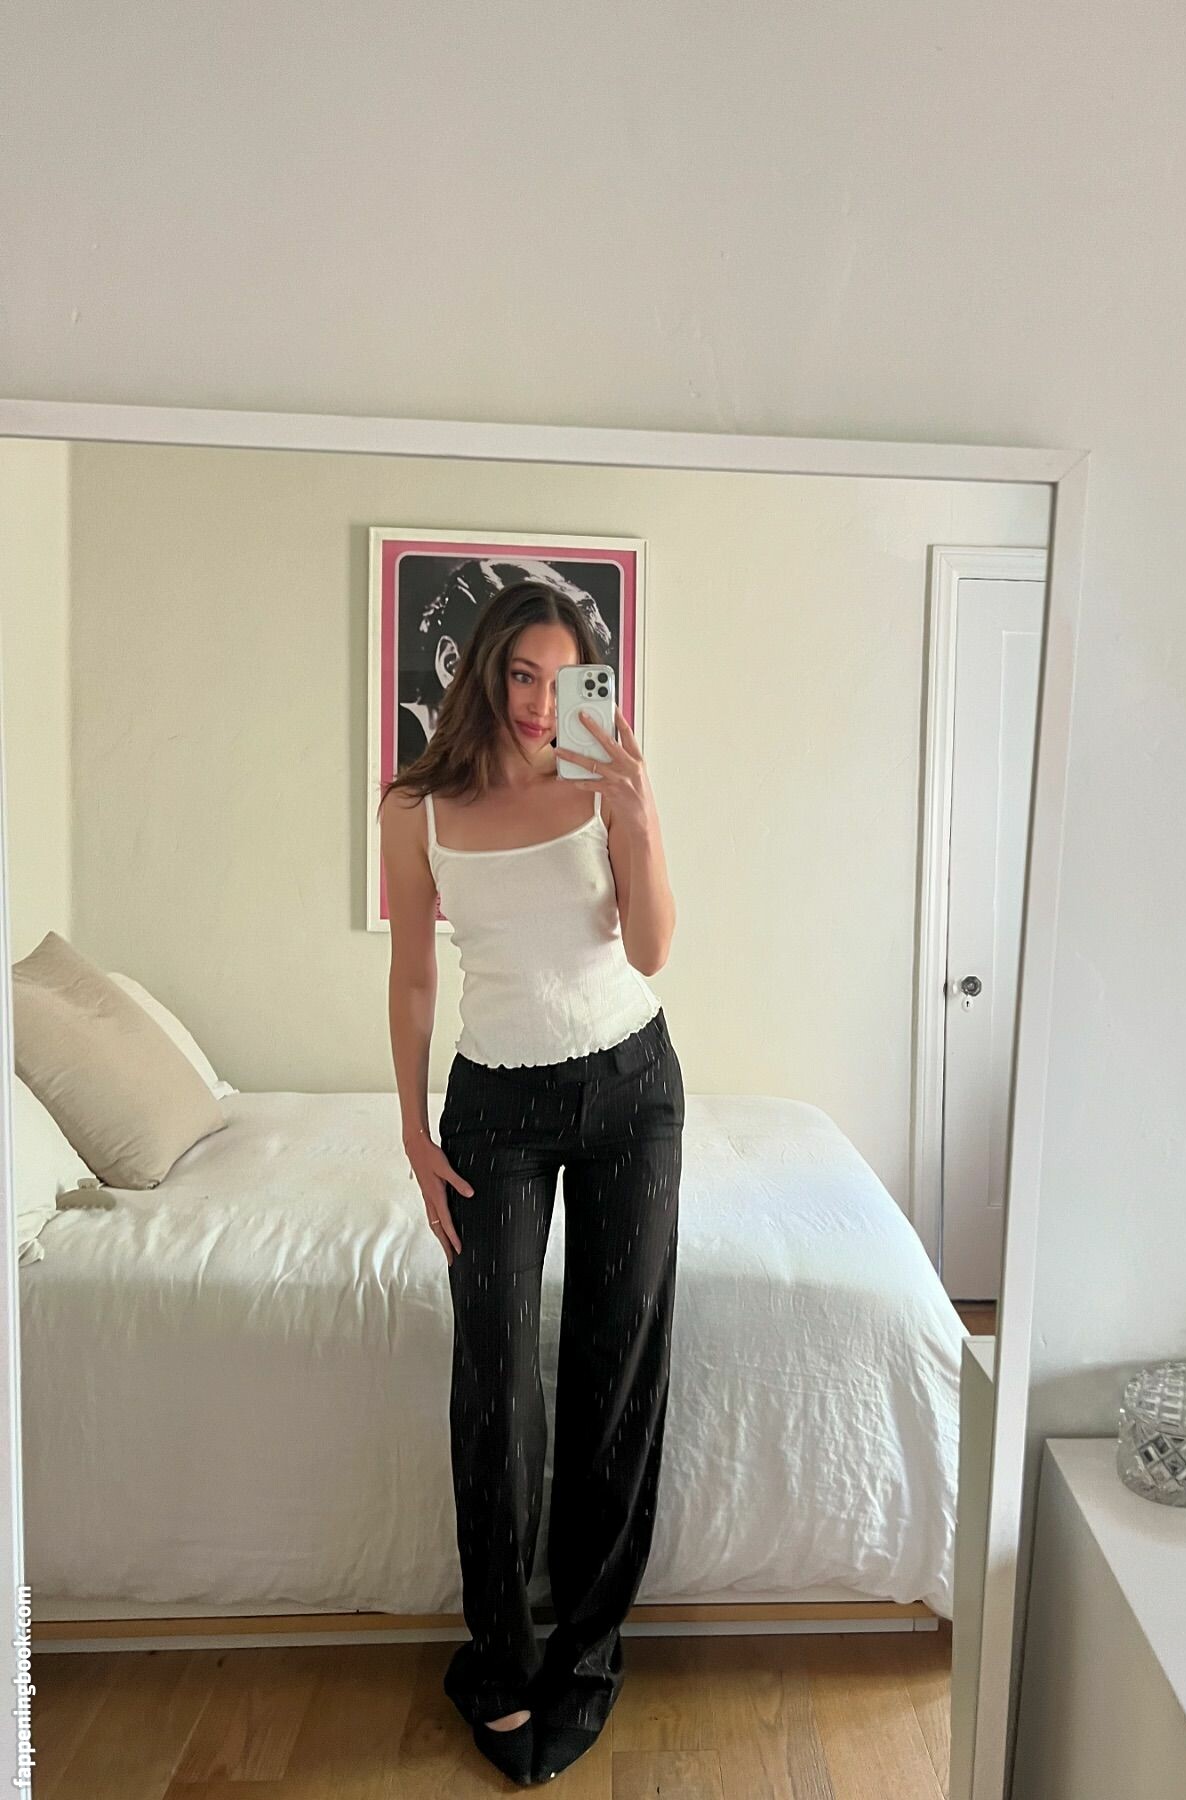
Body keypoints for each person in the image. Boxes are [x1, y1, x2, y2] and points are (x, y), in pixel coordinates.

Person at [377, 578, 684, 1786]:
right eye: (520, 674)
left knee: (616, 1368)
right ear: (485, 670)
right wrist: (413, 1130)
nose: (540, 702)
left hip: (631, 1090)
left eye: (562, 680)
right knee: (496, 1378)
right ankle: (501, 1667)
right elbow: (412, 974)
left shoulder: (604, 784)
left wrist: (641, 819)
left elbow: (652, 949)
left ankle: (588, 1659)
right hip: (493, 1107)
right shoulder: (417, 805)